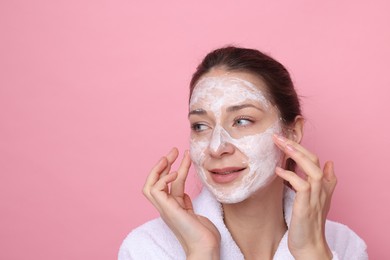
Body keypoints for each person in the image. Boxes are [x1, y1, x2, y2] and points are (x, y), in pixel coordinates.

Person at [118, 46, 368, 259]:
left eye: (242, 121)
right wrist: (201, 251)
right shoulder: (148, 247)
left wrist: (313, 252)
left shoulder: (343, 245)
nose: (216, 148)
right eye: (200, 126)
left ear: (292, 132)